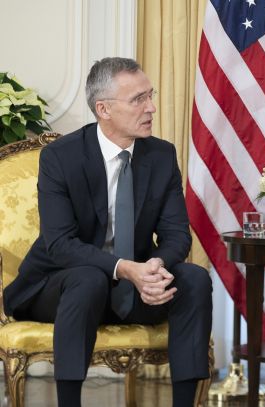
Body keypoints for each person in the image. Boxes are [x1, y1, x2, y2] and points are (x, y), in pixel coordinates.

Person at [3, 57, 212, 407]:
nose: (152, 107)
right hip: (60, 288)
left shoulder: (161, 156)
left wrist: (155, 267)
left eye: (151, 95)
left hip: (136, 289)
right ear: (104, 109)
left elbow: (177, 235)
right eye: (138, 100)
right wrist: (127, 269)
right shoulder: (60, 157)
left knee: (194, 279)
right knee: (88, 278)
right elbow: (59, 244)